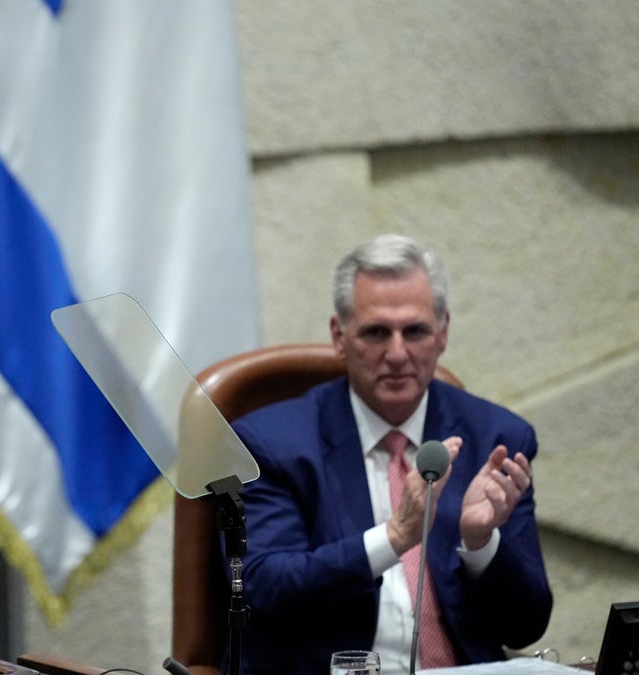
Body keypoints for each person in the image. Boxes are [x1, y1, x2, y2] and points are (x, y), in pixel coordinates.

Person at [231, 234, 552, 675]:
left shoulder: (496, 438)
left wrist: (481, 544)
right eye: (377, 332)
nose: (398, 354)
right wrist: (395, 536)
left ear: (443, 334)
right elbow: (264, 588)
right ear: (339, 337)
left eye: (415, 331)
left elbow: (526, 626)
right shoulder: (271, 443)